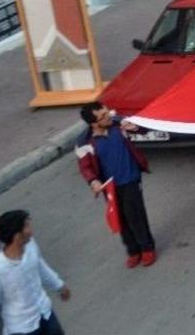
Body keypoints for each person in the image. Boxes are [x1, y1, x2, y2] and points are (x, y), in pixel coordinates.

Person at [76, 103, 156, 267]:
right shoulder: (84, 142)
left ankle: (147, 248)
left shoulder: (119, 124)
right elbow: (85, 167)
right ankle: (133, 251)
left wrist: (135, 126)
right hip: (111, 186)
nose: (108, 117)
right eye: (103, 116)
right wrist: (94, 181)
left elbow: (144, 130)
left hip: (131, 177)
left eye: (107, 113)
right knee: (120, 217)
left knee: (135, 215)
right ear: (93, 123)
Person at [0, 210, 70, 335]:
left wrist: (59, 285)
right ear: (17, 236)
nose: (31, 230)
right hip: (22, 329)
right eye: (27, 226)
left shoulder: (31, 245)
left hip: (46, 314)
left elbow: (40, 267)